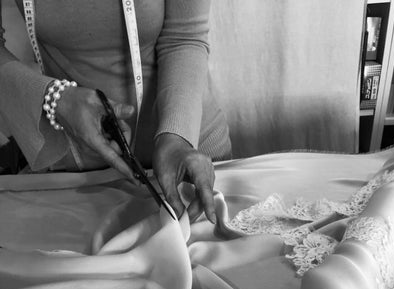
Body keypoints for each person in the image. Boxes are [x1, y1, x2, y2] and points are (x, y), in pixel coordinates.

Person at [0, 0, 231, 222]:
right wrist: (57, 99)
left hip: (188, 154)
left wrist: (177, 137)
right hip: (76, 166)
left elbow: (184, 38)